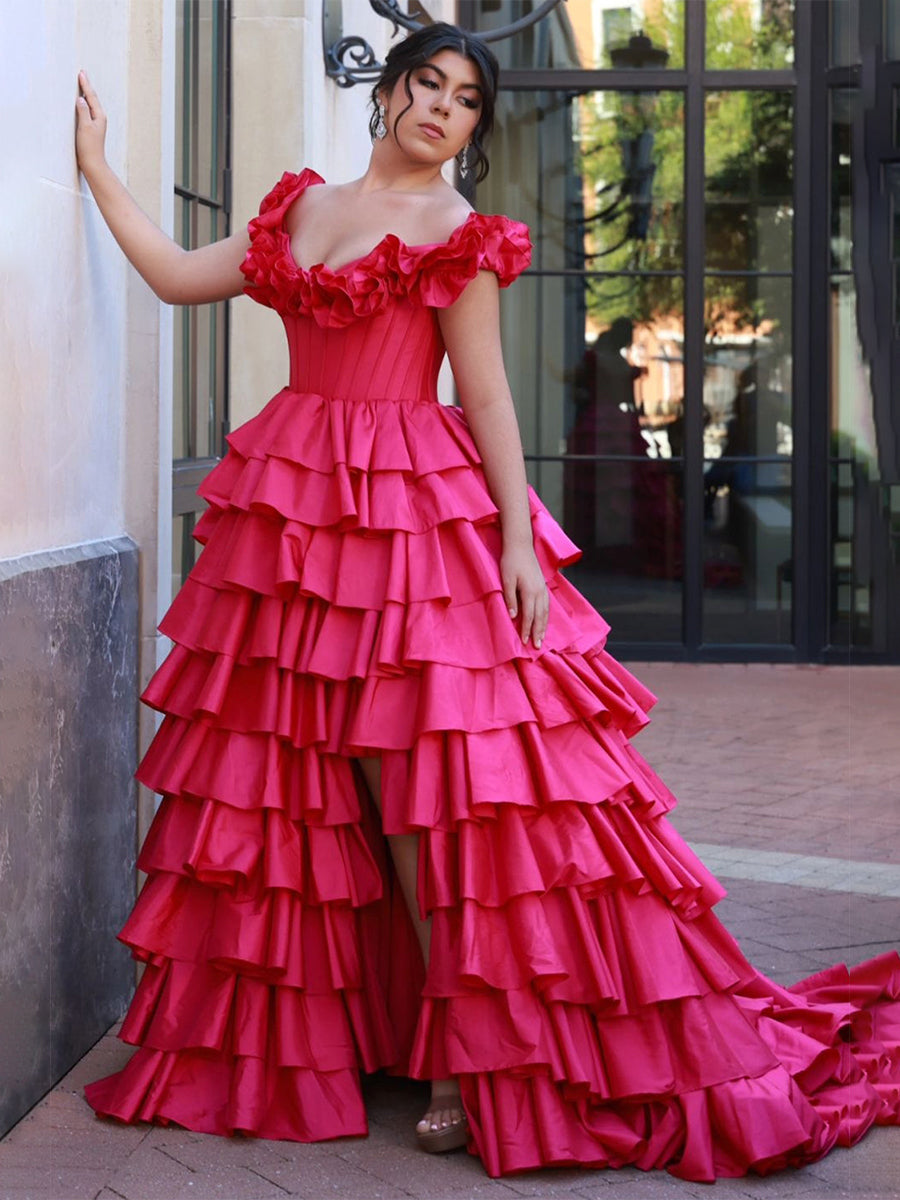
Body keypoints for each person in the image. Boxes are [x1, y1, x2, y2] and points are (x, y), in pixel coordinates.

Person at [75, 22, 898, 1181]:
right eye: (427, 84)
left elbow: (491, 397)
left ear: (473, 126)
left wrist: (516, 539)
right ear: (393, 91)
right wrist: (102, 166)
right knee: (302, 789)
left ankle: (474, 1057)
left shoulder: (455, 234)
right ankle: (342, 1036)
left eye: (465, 100)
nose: (440, 110)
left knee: (430, 797)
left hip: (415, 523)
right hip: (294, 523)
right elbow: (171, 275)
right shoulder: (299, 210)